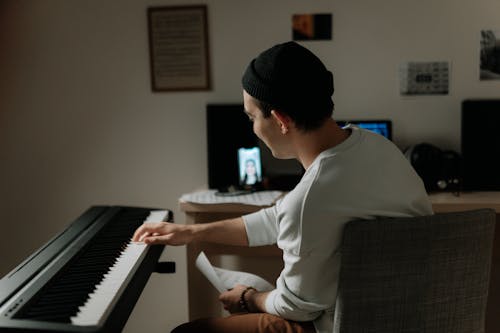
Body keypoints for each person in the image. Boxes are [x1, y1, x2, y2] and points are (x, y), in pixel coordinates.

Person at [132, 41, 433, 333]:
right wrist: (195, 232)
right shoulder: (381, 148)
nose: (253, 129)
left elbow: (297, 306)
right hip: (415, 319)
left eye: (252, 117)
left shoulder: (312, 197)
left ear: (280, 119)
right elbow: (283, 217)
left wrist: (248, 297)